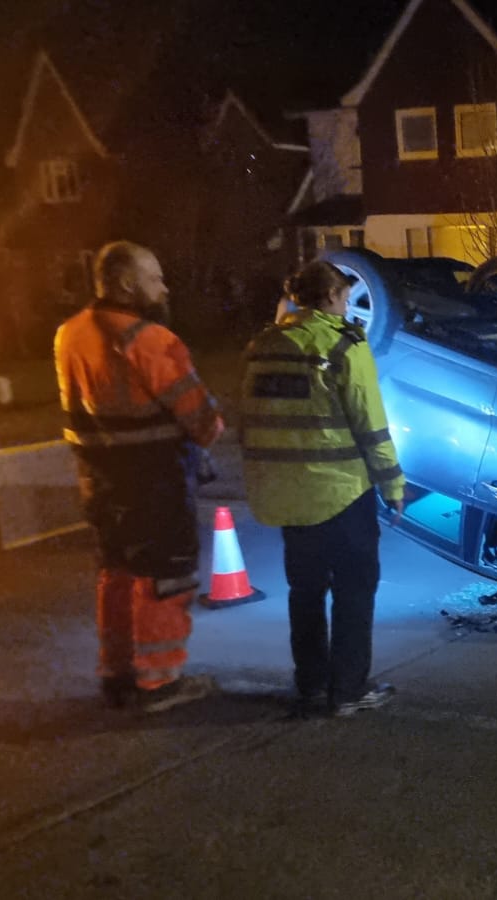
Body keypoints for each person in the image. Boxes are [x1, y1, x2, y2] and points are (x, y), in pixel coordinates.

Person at [54, 241, 225, 713]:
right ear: (129, 284)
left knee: (117, 575)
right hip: (153, 480)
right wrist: (209, 427)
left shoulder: (69, 334)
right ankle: (159, 682)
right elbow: (202, 420)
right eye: (155, 277)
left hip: (99, 479)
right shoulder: (150, 341)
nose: (164, 286)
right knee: (163, 578)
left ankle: (117, 673)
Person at [239, 261, 406, 717]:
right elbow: (371, 424)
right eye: (346, 298)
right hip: (340, 493)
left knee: (305, 592)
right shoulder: (343, 345)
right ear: (332, 297)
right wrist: (392, 484)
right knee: (354, 590)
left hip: (286, 495)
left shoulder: (263, 346)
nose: (349, 306)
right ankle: (349, 690)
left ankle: (311, 685)